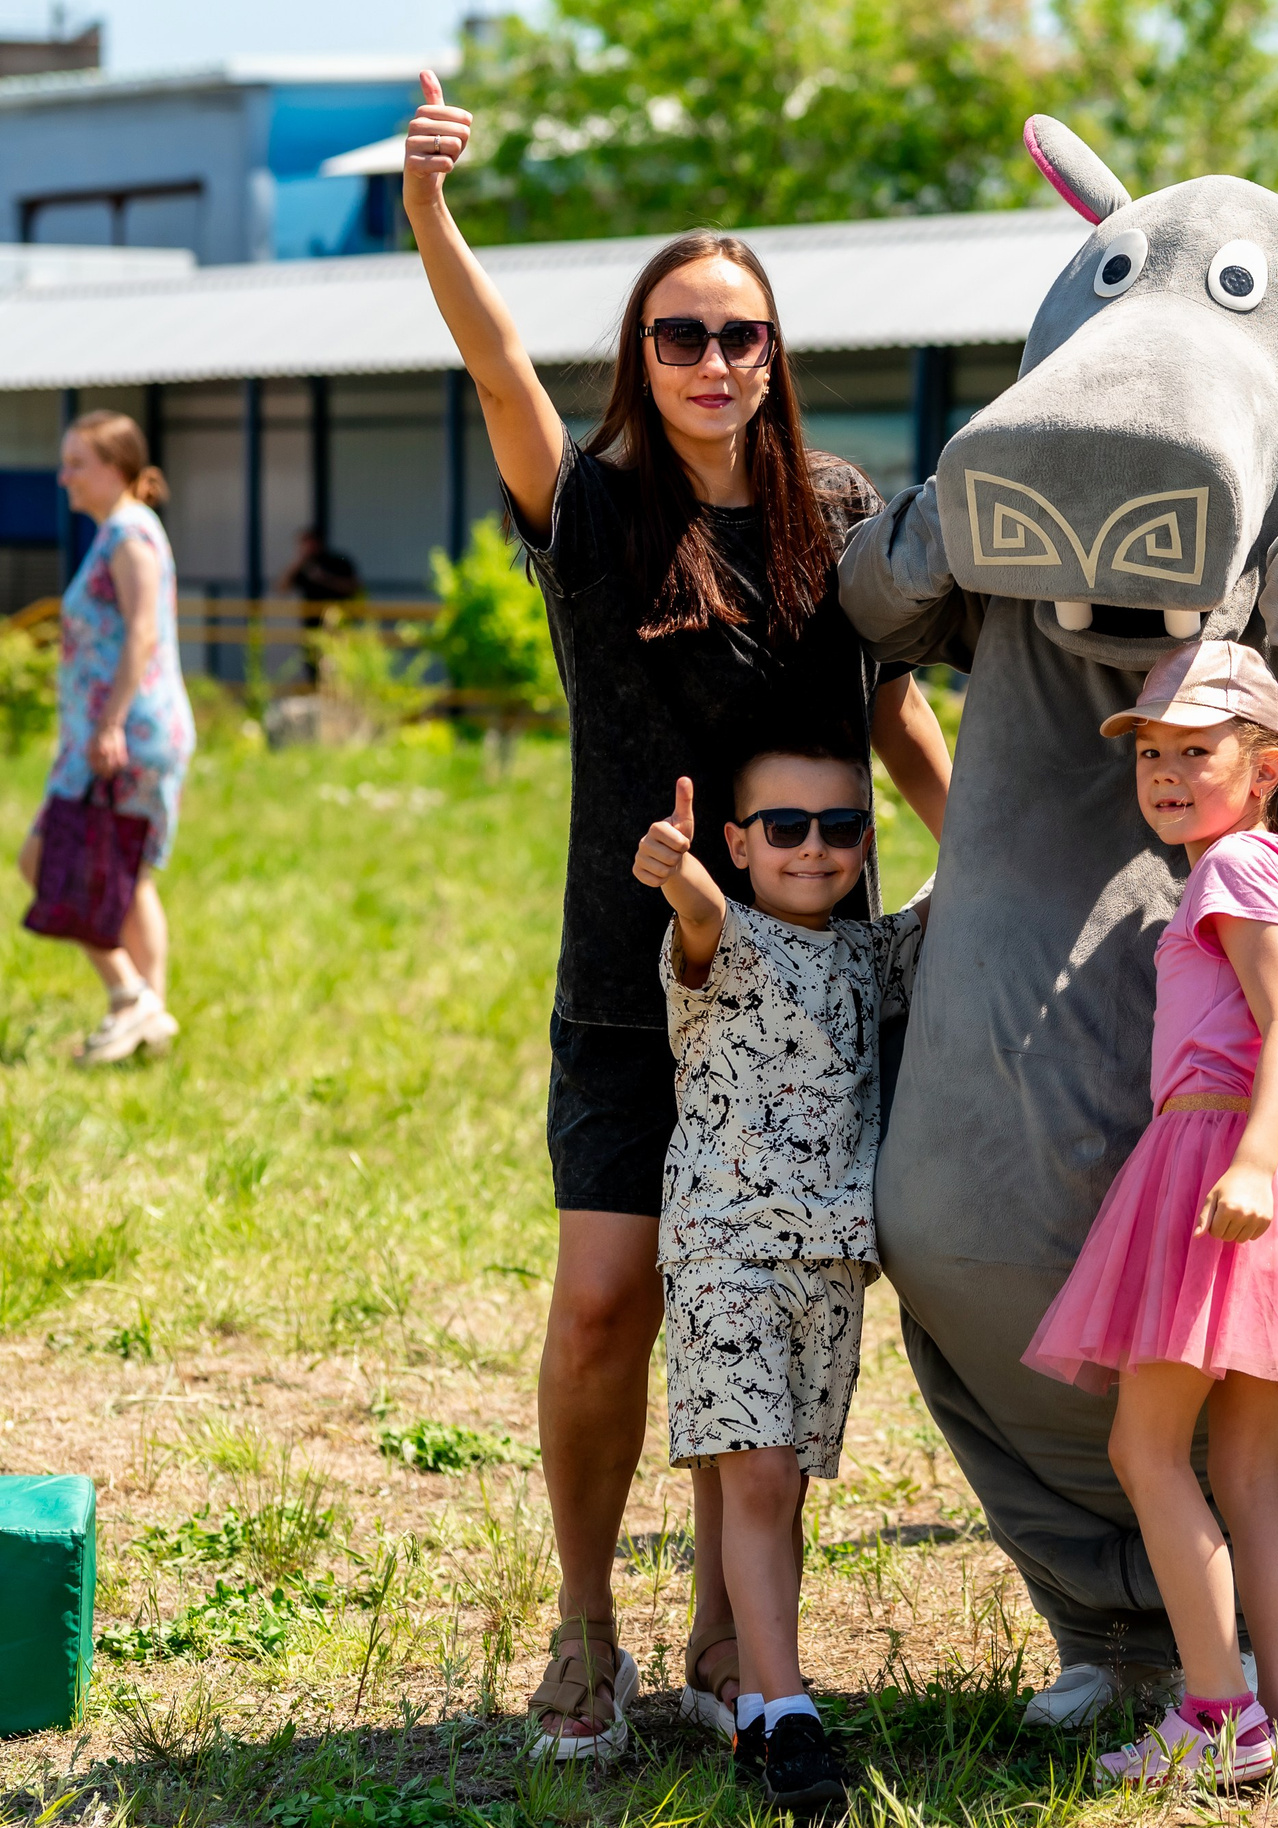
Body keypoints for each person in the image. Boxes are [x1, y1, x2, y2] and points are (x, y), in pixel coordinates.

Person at [401, 71, 953, 1759]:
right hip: (626, 984)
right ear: (642, 357)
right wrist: (432, 212)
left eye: (740, 334)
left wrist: (975, 840)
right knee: (606, 1299)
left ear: (776, 356)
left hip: (800, 995)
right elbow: (499, 367)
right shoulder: (595, 520)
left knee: (767, 1299)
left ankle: (733, 1622)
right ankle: (588, 1620)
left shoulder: (844, 520)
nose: (715, 360)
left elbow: (890, 715)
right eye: (680, 334)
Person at [1021, 641, 1278, 1790]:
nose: (1168, 771)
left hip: (1222, 1158)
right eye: (1153, 752)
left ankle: (1219, 1712)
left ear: (1266, 765)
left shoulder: (1233, 872)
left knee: (1145, 1445)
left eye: (1198, 751)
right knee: (1248, 1468)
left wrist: (1249, 1158)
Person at [631, 747, 924, 1810]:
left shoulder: (869, 954)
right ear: (740, 841)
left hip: (830, 1262)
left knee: (780, 1485)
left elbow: (973, 880)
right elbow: (698, 909)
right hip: (723, 1248)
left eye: (841, 826)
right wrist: (674, 866)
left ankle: (759, 1706)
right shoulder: (720, 937)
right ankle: (793, 1712)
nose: (813, 846)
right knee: (754, 1476)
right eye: (785, 826)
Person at [22, 411, 196, 1065]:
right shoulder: (119, 532)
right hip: (116, 732)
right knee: (130, 879)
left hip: (124, 735)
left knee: (44, 860)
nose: (64, 476)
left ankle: (130, 996)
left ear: (116, 468)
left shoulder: (128, 536)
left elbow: (143, 632)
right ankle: (146, 1018)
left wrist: (111, 722)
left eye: (77, 463)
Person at [276, 527, 362, 685]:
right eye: (303, 544)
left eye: (310, 543)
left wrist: (325, 579)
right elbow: (282, 588)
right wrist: (298, 562)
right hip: (311, 627)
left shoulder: (337, 562)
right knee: (313, 668)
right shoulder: (303, 566)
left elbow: (353, 587)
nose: (307, 547)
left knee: (338, 667)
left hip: (337, 625)